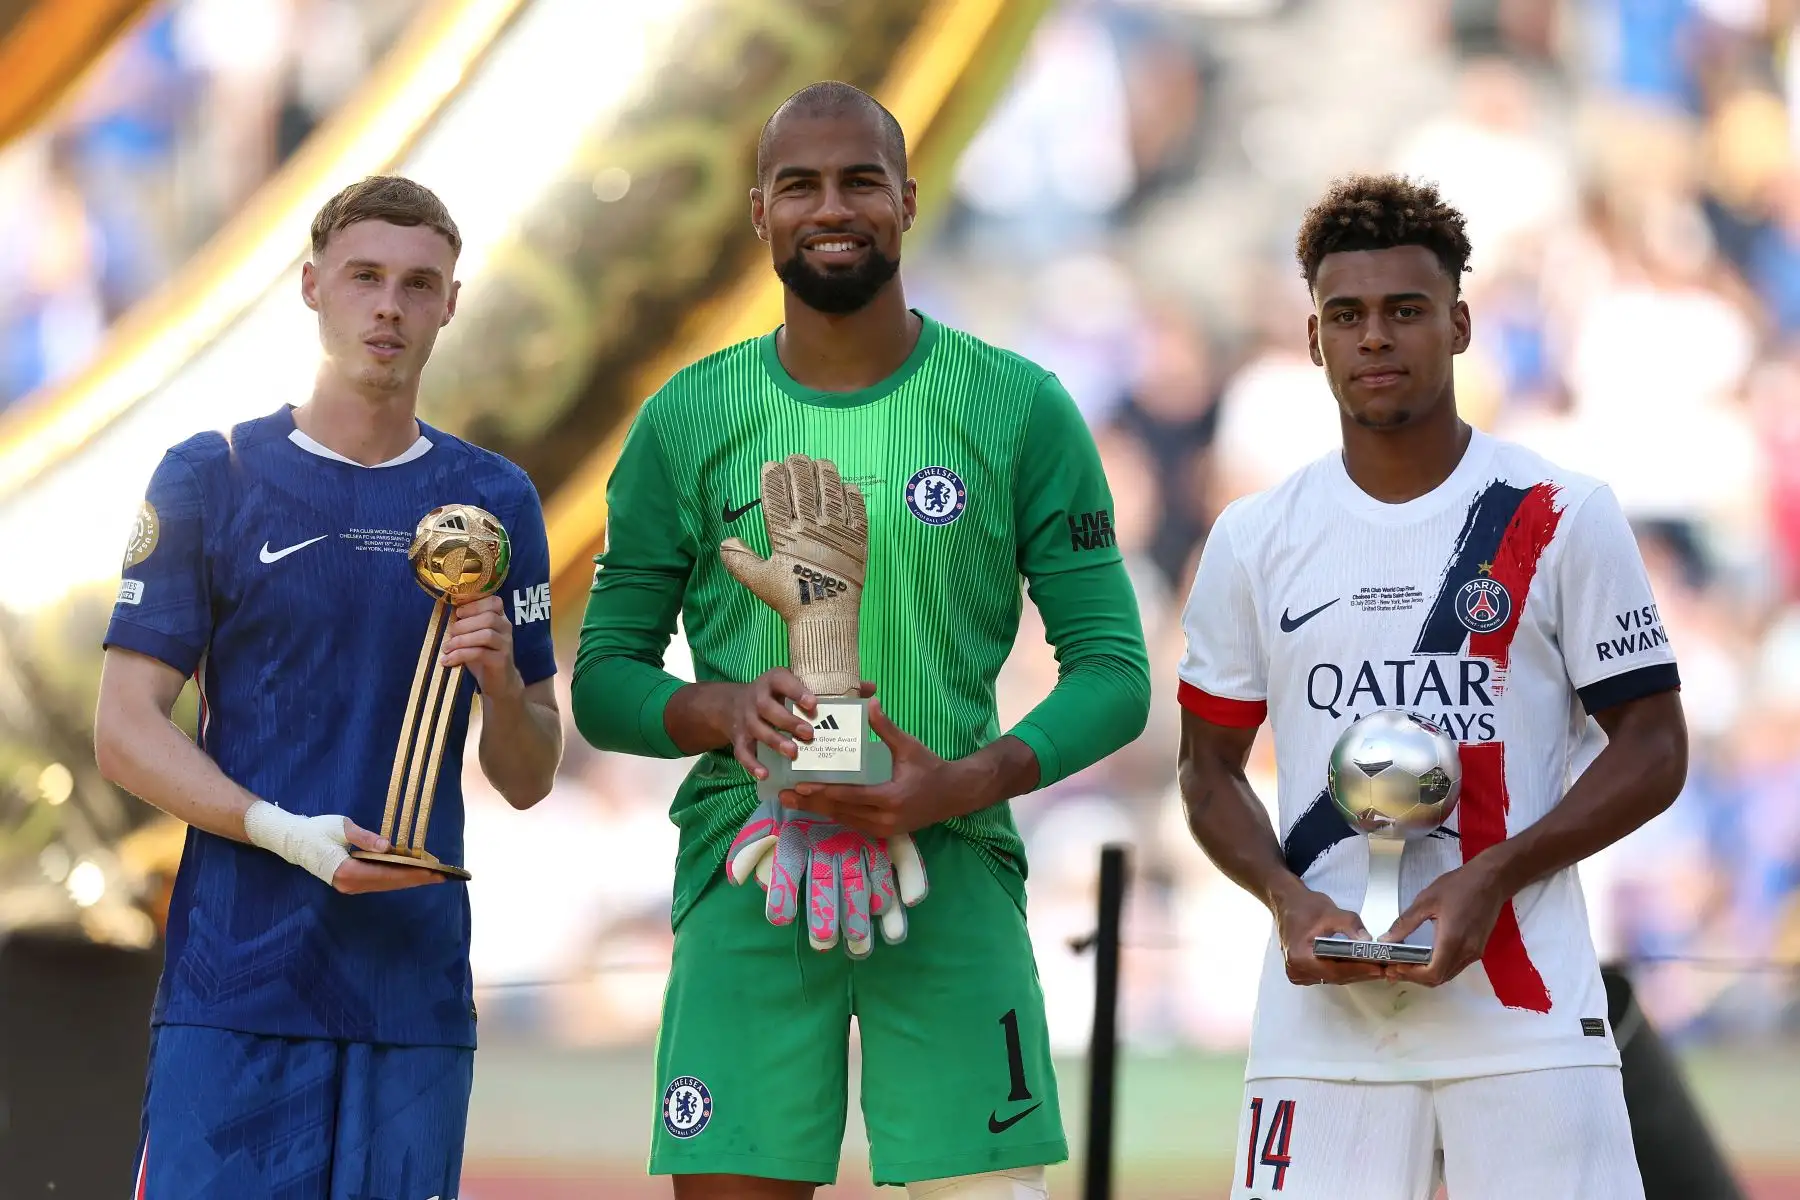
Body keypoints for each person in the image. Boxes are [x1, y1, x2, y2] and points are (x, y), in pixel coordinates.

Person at [572, 81, 1151, 1199]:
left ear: (907, 200)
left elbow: (1117, 674)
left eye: (858, 181)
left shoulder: (1017, 406)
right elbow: (605, 682)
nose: (829, 207)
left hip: (954, 867)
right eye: (800, 185)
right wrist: (722, 708)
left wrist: (961, 783)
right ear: (759, 212)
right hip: (748, 867)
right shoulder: (684, 418)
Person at [1175, 173, 1689, 1200]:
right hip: (1323, 1033)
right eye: (1347, 316)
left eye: (1405, 311)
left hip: (1527, 1012)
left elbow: (1654, 746)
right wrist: (1286, 900)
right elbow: (1208, 772)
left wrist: (1493, 875)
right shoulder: (1254, 539)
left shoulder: (1559, 512)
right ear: (1315, 339)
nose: (1375, 338)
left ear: (1457, 324)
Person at [93, 175, 563, 1198]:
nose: (388, 305)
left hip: (411, 998)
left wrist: (496, 676)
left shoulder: (494, 501)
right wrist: (279, 828)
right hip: (235, 990)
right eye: (364, 277)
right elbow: (125, 729)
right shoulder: (209, 474)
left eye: (416, 283)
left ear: (450, 303)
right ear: (311, 287)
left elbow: (529, 771)